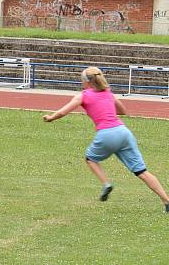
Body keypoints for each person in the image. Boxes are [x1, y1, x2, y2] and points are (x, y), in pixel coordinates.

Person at [43, 67, 169, 211]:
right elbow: (122, 111)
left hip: (106, 134)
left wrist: (50, 118)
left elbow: (63, 112)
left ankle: (106, 184)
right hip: (124, 133)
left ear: (86, 82)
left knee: (90, 159)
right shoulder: (108, 93)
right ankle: (166, 201)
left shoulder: (83, 95)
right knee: (142, 172)